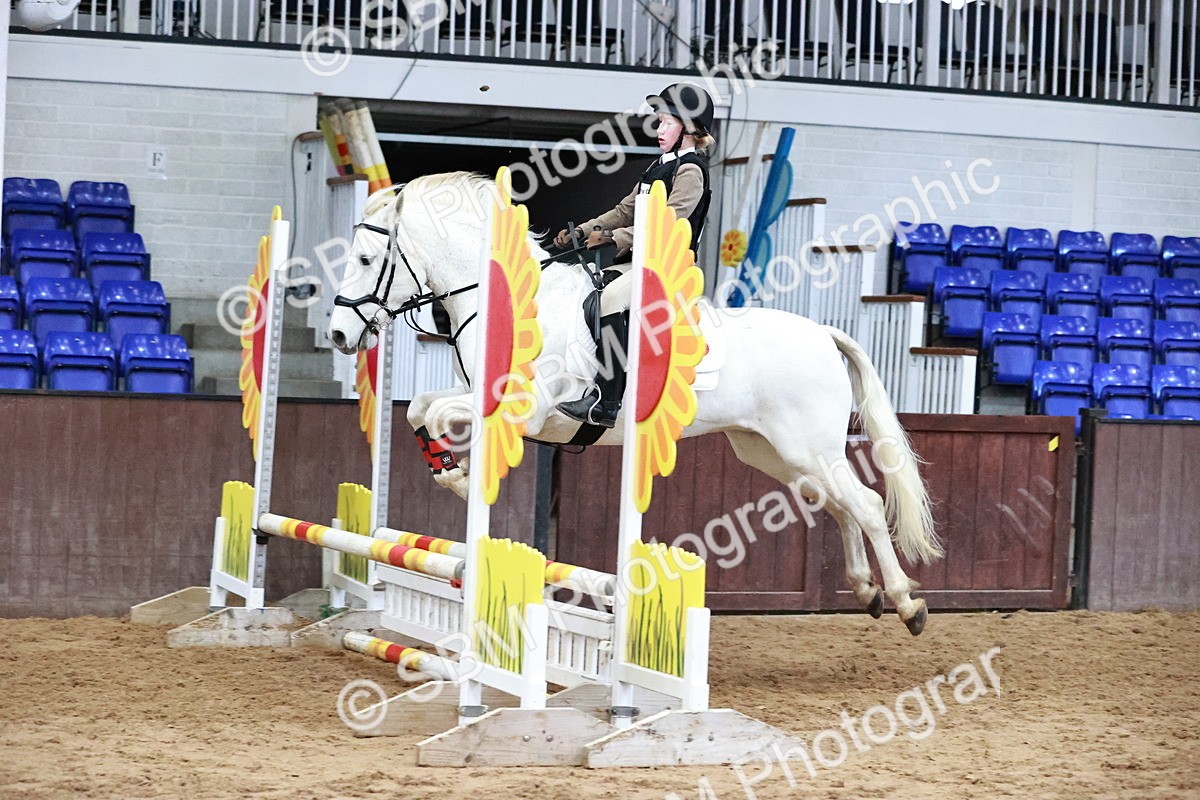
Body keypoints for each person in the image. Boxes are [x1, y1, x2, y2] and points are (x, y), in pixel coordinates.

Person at [554, 83, 716, 429]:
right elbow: (624, 210)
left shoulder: (690, 171)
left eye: (666, 123)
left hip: (669, 265)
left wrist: (613, 238)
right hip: (640, 260)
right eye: (659, 122)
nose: (658, 130)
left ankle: (606, 402)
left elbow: (669, 223)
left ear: (688, 129)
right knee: (587, 288)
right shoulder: (658, 166)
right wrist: (584, 229)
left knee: (612, 297)